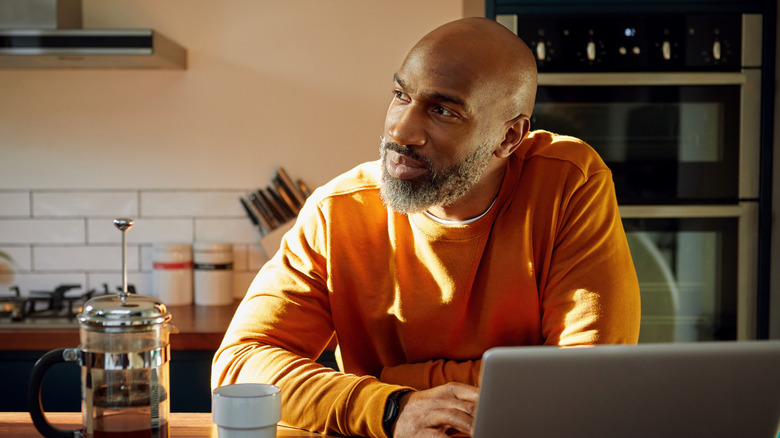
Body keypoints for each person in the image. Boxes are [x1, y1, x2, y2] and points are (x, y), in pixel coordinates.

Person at [212, 16, 641, 438]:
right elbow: (238, 368)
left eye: (442, 110)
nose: (401, 130)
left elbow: (588, 378)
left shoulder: (567, 182)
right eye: (401, 95)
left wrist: (398, 378)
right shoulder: (338, 211)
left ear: (509, 138)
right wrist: (391, 408)